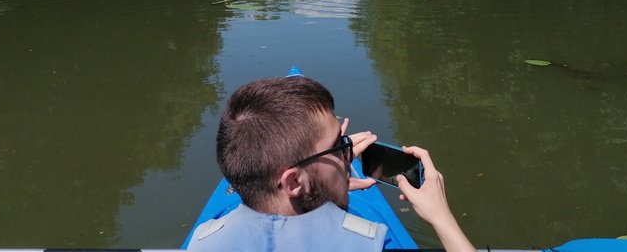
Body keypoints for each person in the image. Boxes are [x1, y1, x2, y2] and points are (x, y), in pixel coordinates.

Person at [187, 76, 474, 252]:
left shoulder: (202, 243)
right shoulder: (374, 245)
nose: (348, 154)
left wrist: (323, 184)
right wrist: (442, 218)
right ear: (293, 182)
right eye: (339, 146)